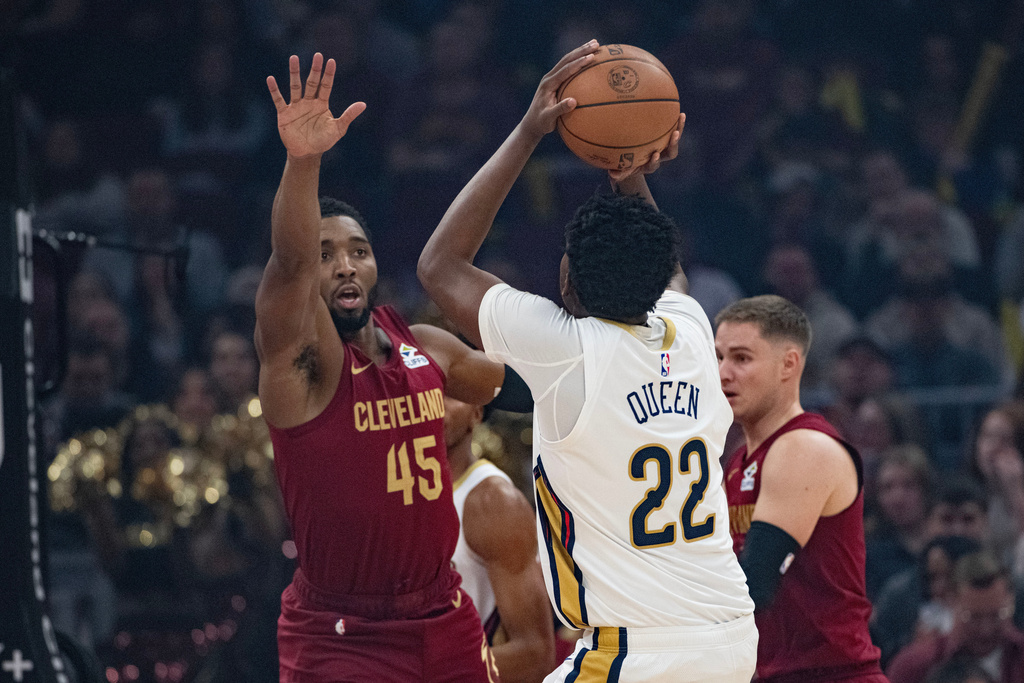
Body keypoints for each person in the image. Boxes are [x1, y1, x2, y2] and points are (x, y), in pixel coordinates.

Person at [419, 40, 757, 683]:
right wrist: (630, 165)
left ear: (567, 282)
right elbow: (666, 265)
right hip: (730, 635)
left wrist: (527, 132)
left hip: (637, 651)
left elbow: (439, 265)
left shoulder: (565, 350)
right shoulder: (687, 327)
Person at [258, 53, 512, 681]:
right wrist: (303, 160)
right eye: (327, 255)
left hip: (442, 613)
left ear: (375, 267)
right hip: (345, 633)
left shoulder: (422, 342)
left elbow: (511, 383)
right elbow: (289, 266)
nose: (344, 265)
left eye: (358, 252)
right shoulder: (303, 365)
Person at [716, 294, 887, 682]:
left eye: (741, 359)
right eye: (718, 357)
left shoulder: (803, 447)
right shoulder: (738, 462)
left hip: (834, 674)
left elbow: (754, 583)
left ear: (788, 365)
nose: (723, 373)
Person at [445, 395, 556, 682]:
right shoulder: (386, 494)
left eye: (450, 393)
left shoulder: (493, 502)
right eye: (427, 388)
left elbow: (536, 654)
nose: (434, 402)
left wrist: (427, 673)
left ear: (477, 412)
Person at [886, 551, 1024, 683]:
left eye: (997, 615)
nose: (985, 629)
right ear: (951, 601)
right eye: (973, 617)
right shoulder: (914, 667)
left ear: (1011, 601)